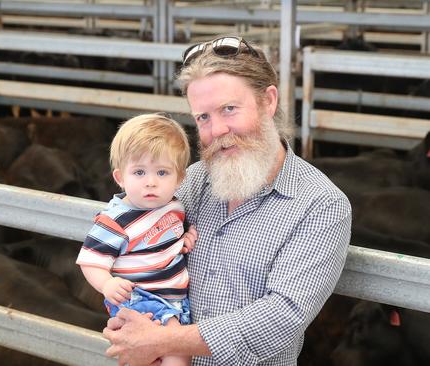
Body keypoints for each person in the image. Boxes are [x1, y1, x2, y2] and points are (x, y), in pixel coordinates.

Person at [102, 36, 352, 366]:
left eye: (229, 109)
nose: (217, 129)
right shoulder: (191, 181)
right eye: (203, 117)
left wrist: (161, 340)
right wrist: (129, 319)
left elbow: (283, 317)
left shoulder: (321, 205)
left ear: (269, 101)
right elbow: (132, 239)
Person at [76, 113, 198, 366]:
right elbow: (90, 261)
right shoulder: (115, 221)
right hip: (140, 297)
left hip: (174, 299)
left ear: (180, 179)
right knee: (177, 353)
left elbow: (167, 240)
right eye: (139, 172)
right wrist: (107, 284)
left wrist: (184, 240)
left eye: (162, 172)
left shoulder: (174, 207)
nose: (151, 182)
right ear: (120, 177)